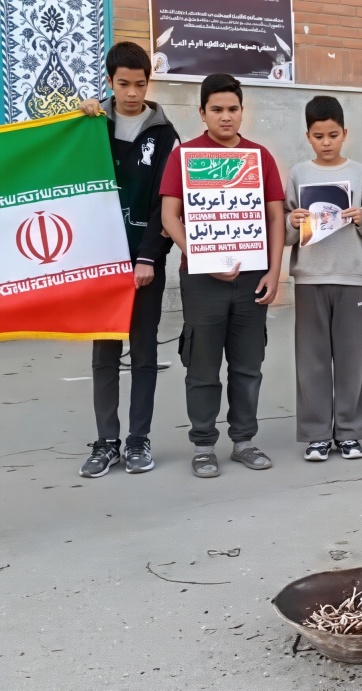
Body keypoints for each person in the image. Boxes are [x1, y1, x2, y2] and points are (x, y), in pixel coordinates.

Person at [159, 73, 286, 478]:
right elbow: (169, 216)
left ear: (242, 111)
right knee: (202, 367)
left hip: (252, 278)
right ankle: (203, 445)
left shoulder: (259, 157)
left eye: (233, 109)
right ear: (202, 112)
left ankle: (244, 440)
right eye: (217, 109)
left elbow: (276, 218)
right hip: (202, 281)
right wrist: (201, 256)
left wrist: (274, 271)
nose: (225, 116)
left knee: (248, 366)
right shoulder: (184, 156)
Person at [76, 42, 180, 478]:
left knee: (143, 351)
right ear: (109, 81)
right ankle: (106, 442)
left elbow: (166, 204)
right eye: (123, 84)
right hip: (101, 262)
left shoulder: (165, 136)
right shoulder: (91, 126)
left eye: (140, 84)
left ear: (148, 83)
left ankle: (138, 438)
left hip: (144, 264)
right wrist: (79, 117)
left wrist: (149, 257)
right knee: (104, 353)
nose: (132, 93)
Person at [284, 96, 362, 461]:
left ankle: (349, 432)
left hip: (351, 277)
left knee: (351, 358)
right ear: (308, 136)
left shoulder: (360, 173)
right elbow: (284, 229)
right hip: (309, 277)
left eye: (333, 135)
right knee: (311, 358)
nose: (326, 142)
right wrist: (292, 221)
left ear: (345, 133)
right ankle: (316, 434)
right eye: (318, 136)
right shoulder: (299, 173)